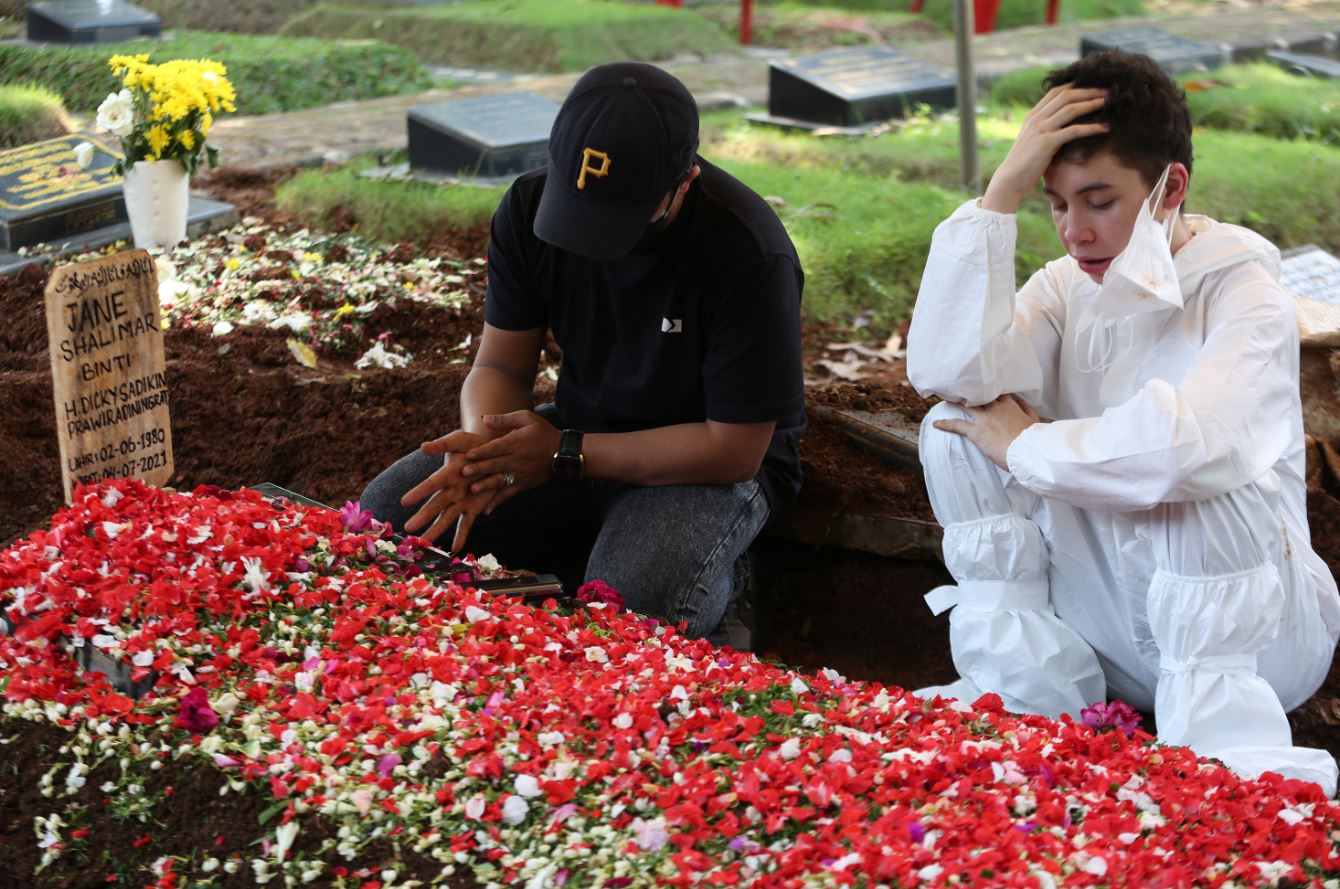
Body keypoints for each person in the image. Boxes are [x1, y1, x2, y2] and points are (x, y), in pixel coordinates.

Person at [906, 50, 1340, 792]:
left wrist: (1032, 447)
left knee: (1199, 476)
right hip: (1101, 626)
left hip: (1255, 646)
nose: (1074, 231)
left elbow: (1190, 449)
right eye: (1055, 202)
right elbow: (949, 373)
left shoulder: (1243, 290)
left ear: (1171, 186)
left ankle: (1221, 751)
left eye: (1099, 200)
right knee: (955, 425)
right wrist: (1001, 191)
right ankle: (1029, 687)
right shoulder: (1063, 287)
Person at [359, 62, 806, 644]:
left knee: (629, 609)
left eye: (620, 219)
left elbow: (734, 450)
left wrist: (564, 456)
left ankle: (722, 577)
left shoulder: (747, 252)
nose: (595, 241)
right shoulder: (526, 206)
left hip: (699, 460)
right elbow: (499, 365)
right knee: (388, 519)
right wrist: (485, 448)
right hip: (577, 435)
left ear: (685, 181)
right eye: (578, 209)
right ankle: (593, 550)